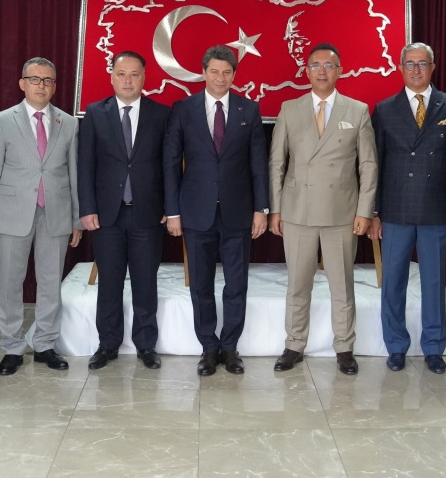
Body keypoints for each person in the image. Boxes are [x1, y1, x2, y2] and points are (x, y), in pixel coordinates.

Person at [267, 44, 377, 376]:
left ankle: (344, 347)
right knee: (297, 284)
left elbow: (368, 165)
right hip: (297, 211)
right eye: (315, 65)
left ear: (340, 70)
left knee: (342, 285)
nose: (322, 71)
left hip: (341, 212)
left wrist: (365, 211)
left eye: (329, 65)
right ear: (306, 71)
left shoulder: (357, 110)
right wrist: (275, 209)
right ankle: (294, 344)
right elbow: (276, 162)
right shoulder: (289, 109)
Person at [163, 45, 270, 376]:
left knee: (236, 284)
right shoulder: (183, 109)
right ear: (204, 72)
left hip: (238, 212)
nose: (220, 78)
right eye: (214, 72)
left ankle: (230, 347)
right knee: (201, 285)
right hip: (196, 213)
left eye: (226, 72)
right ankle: (208, 347)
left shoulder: (248, 109)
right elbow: (170, 164)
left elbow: (258, 164)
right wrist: (173, 211)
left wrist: (261, 208)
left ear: (234, 75)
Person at [366, 42, 446, 374]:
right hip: (395, 211)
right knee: (393, 281)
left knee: (433, 281)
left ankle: (434, 347)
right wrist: (374, 212)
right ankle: (396, 345)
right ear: (400, 68)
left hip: (437, 209)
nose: (416, 70)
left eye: (423, 64)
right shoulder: (384, 109)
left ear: (433, 67)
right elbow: (375, 164)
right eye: (410, 64)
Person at [0, 57, 82, 376]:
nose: (41, 85)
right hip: (11, 214)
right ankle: (12, 346)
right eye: (35, 79)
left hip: (56, 212)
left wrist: (76, 219)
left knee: (51, 281)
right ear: (22, 83)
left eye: (48, 80)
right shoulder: (3, 120)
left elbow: (74, 173)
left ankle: (44, 343)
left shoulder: (68, 123)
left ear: (55, 86)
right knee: (10, 282)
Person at [76, 51, 172, 370]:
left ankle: (146, 344)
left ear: (144, 78)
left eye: (134, 74)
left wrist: (170, 207)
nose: (128, 80)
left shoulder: (161, 114)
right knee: (110, 282)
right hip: (107, 215)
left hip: (148, 213)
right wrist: (87, 208)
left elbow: (169, 166)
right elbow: (85, 164)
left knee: (145, 282)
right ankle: (108, 344)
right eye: (121, 74)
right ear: (112, 77)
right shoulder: (95, 113)